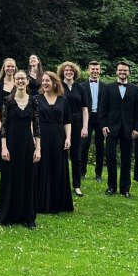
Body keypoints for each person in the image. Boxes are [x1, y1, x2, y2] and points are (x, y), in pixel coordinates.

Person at [0, 70, 41, 228]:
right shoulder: (7, 101)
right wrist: (3, 148)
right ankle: (7, 215)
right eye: (17, 79)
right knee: (9, 179)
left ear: (27, 81)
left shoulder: (33, 101)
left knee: (28, 179)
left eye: (23, 79)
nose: (20, 81)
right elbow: (4, 127)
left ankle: (27, 217)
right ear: (14, 81)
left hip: (28, 146)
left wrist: (38, 149)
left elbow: (37, 127)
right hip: (11, 146)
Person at [99, 61, 138, 198]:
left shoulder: (135, 89)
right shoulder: (108, 88)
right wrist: (103, 125)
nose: (123, 72)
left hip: (129, 129)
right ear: (116, 71)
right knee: (110, 156)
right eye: (120, 70)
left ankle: (125, 189)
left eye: (125, 70)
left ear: (128, 72)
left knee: (126, 159)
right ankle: (111, 186)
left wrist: (137, 128)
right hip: (111, 128)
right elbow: (102, 108)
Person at [34, 71, 73, 214]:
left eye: (47, 81)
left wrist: (68, 138)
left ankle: (58, 203)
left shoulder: (63, 100)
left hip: (58, 137)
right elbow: (32, 121)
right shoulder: (36, 99)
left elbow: (67, 121)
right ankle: (40, 202)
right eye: (43, 81)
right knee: (41, 166)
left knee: (57, 167)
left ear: (55, 83)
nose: (44, 83)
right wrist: (34, 139)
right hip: (41, 136)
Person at [58, 61, 88, 197]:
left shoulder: (80, 88)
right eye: (66, 70)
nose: (69, 72)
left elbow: (85, 109)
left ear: (74, 73)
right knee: (61, 154)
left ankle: (76, 185)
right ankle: (62, 184)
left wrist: (85, 127)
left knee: (76, 156)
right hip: (60, 123)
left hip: (77, 124)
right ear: (62, 72)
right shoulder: (58, 86)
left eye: (71, 70)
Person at [81, 61, 107, 182]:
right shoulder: (82, 86)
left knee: (100, 146)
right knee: (84, 145)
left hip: (101, 118)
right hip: (87, 118)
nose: (95, 71)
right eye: (93, 69)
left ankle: (98, 174)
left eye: (97, 69)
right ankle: (82, 172)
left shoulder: (105, 86)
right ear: (88, 70)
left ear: (100, 71)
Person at [0, 58, 17, 170]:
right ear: (4, 68)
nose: (10, 68)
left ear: (15, 68)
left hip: (16, 120)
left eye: (12, 66)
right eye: (8, 66)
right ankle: (3, 171)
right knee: (2, 147)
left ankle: (13, 169)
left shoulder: (18, 83)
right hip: (2, 120)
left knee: (13, 145)